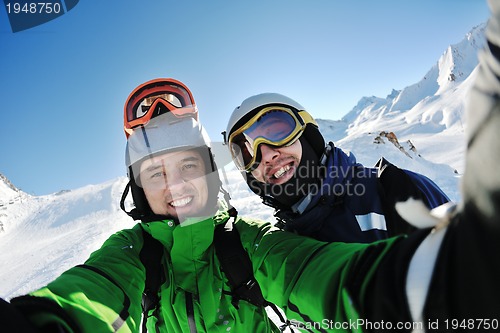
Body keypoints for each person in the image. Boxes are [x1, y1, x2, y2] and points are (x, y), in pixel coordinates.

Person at [2, 2, 500, 329]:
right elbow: (89, 296)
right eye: (155, 173)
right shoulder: (131, 255)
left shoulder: (249, 246)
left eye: (277, 131)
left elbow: (315, 272)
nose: (175, 185)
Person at [224, 93, 450, 242]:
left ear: (308, 135)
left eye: (277, 132)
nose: (268, 154)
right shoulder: (282, 249)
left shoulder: (398, 192)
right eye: (246, 153)